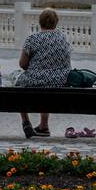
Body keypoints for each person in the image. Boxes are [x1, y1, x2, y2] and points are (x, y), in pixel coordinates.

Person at [17, 8, 72, 138]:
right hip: (60, 82)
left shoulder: (33, 39)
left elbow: (23, 65)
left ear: (40, 22)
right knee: (47, 82)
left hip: (36, 81)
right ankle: (44, 126)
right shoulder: (64, 39)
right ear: (56, 22)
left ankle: (25, 122)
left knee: (17, 81)